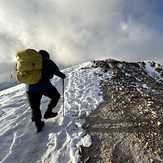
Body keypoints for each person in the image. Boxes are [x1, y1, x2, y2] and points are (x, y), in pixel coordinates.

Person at [26, 50, 66, 132]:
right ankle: (48, 112)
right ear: (47, 56)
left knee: (34, 106)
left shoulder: (30, 62)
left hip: (30, 88)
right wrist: (62, 76)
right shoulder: (47, 61)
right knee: (56, 96)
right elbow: (56, 71)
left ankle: (38, 125)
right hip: (44, 86)